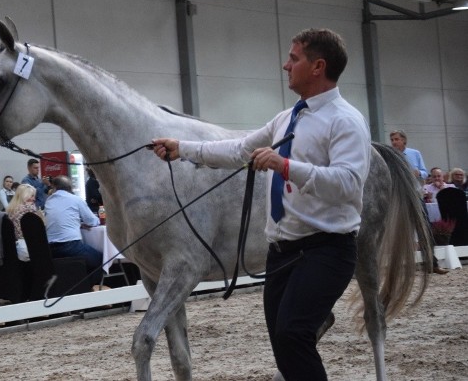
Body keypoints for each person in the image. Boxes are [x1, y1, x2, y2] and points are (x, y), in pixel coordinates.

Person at [153, 28, 370, 381]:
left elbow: (348, 184)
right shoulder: (287, 118)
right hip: (282, 253)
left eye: (294, 58)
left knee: (293, 335)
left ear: (318, 66)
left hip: (326, 249)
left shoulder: (346, 121)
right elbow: (238, 149)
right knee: (284, 346)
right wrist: (183, 148)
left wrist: (284, 165)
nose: (286, 65)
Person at [44, 175, 103, 285]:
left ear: (55, 187)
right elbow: (93, 221)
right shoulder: (75, 199)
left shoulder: (49, 201)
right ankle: (88, 289)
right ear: (70, 187)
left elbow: (59, 218)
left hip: (50, 249)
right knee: (99, 259)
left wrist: (77, 223)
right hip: (70, 246)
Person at [6, 183, 44, 261]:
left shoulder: (11, 209)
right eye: (32, 196)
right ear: (24, 196)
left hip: (17, 248)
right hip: (30, 246)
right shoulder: (30, 208)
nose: (34, 199)